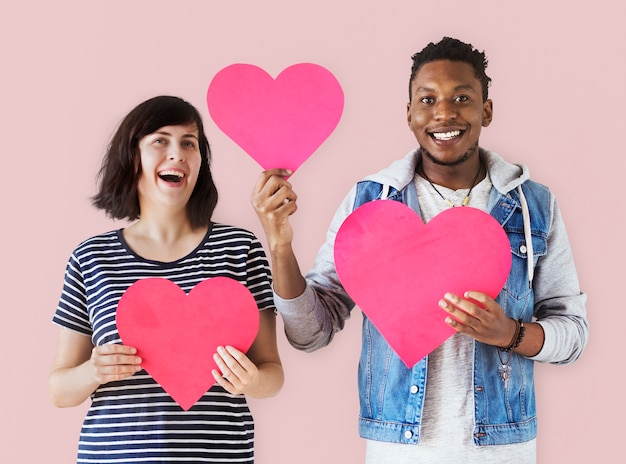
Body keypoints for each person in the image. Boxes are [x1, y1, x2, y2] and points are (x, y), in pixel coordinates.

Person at [251, 37, 588, 463]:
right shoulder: (369, 204)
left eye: (461, 98)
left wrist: (511, 334)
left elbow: (573, 333)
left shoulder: (533, 206)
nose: (443, 112)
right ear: (409, 114)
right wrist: (280, 244)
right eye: (427, 99)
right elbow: (310, 333)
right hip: (397, 450)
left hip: (504, 450)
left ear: (486, 110)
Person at [49, 95, 284, 463]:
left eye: (189, 143)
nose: (177, 153)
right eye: (160, 140)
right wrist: (93, 371)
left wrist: (252, 381)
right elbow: (60, 389)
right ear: (132, 157)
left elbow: (272, 373)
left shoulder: (240, 249)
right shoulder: (91, 258)